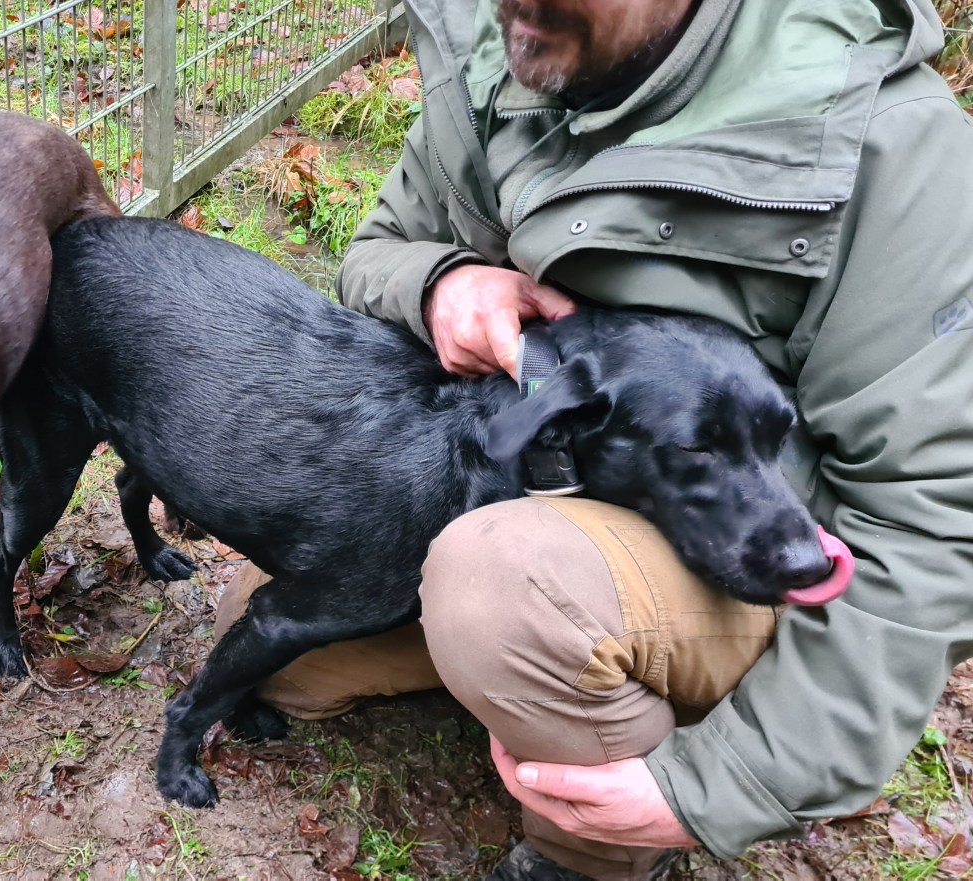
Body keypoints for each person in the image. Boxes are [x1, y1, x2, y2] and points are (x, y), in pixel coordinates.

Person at [213, 0, 973, 877]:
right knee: (267, 643)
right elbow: (381, 246)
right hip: (533, 479)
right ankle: (542, 657)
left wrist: (719, 786)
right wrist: (440, 281)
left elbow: (932, 525)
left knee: (501, 581)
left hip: (763, 558)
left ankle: (588, 852)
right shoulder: (506, 51)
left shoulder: (883, 140)